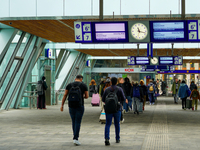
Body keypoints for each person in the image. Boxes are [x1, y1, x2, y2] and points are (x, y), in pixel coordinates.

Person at [60, 75, 88, 146]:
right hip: (80, 105)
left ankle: (74, 136)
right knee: (78, 122)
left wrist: (62, 105)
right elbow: (87, 96)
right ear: (81, 79)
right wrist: (81, 96)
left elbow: (65, 95)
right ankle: (75, 138)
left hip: (71, 106)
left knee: (73, 121)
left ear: (75, 79)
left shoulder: (69, 85)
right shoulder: (83, 85)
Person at [102, 77, 126, 146]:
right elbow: (123, 98)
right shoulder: (119, 89)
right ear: (116, 82)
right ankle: (117, 138)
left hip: (108, 109)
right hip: (117, 109)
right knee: (117, 124)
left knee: (108, 124)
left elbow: (103, 99)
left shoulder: (107, 89)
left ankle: (107, 138)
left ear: (111, 82)